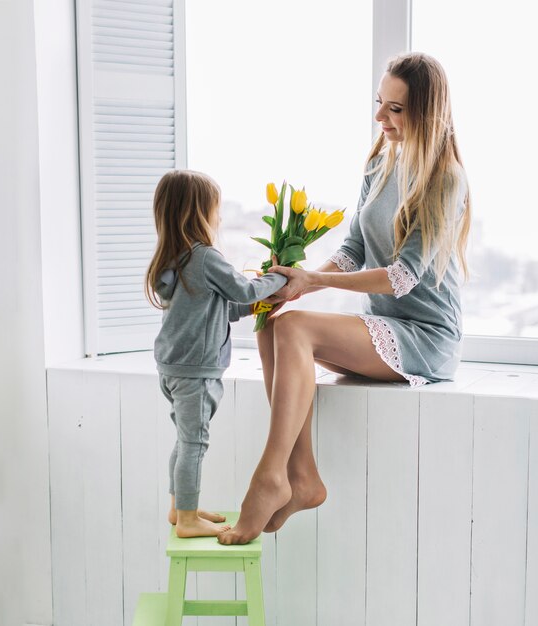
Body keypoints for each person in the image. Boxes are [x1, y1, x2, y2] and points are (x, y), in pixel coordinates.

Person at [218, 52, 471, 545]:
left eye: (396, 110)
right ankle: (303, 477)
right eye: (381, 103)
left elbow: (401, 278)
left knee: (294, 327)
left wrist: (316, 284)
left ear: (427, 112)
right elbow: (354, 250)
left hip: (426, 338)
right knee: (274, 319)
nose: (381, 117)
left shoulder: (445, 179)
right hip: (385, 329)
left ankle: (269, 477)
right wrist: (301, 279)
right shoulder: (380, 161)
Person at [146, 169, 287, 538]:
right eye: (216, 209)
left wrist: (258, 306)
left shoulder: (177, 259)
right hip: (194, 371)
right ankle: (189, 519)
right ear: (198, 213)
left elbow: (221, 308)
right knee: (195, 442)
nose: (220, 217)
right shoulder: (205, 257)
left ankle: (181, 509)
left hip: (173, 366)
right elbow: (242, 290)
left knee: (184, 439)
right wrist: (278, 278)